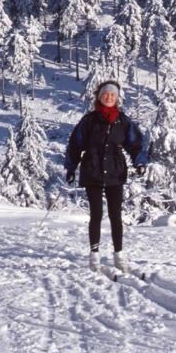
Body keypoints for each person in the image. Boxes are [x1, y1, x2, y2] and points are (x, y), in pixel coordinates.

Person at [64, 79, 148, 272]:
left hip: (115, 172)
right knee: (96, 214)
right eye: (105, 94)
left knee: (115, 215)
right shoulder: (89, 120)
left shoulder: (123, 121)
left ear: (117, 98)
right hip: (92, 170)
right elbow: (75, 143)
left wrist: (140, 162)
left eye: (112, 95)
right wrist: (71, 167)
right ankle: (94, 256)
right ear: (99, 96)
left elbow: (136, 144)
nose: (109, 97)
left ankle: (119, 254)